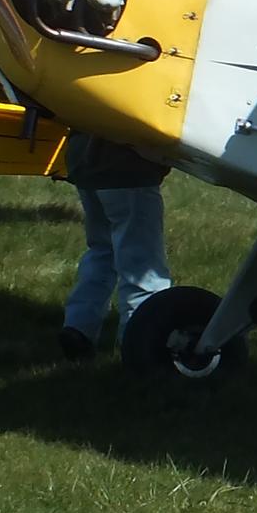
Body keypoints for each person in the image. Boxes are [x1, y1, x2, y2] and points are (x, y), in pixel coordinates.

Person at [57, 131, 173, 360]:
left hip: (85, 160)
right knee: (142, 263)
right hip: (125, 166)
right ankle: (142, 344)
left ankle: (79, 326)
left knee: (103, 249)